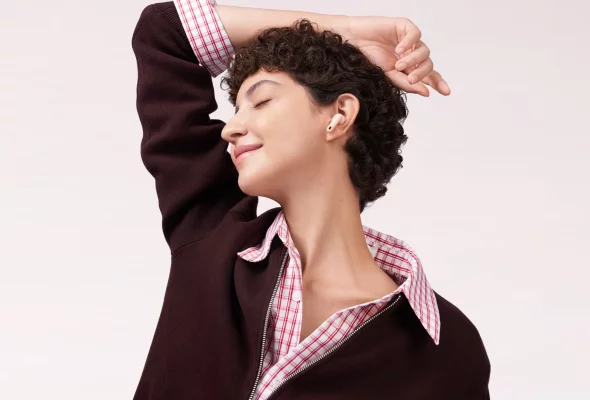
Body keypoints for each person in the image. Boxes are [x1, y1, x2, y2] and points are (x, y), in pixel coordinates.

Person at [130, 0, 491, 398]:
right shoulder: (211, 235)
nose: (230, 128)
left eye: (261, 102)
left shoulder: (449, 351)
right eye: (236, 110)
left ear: (339, 115)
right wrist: (348, 32)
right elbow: (165, 31)